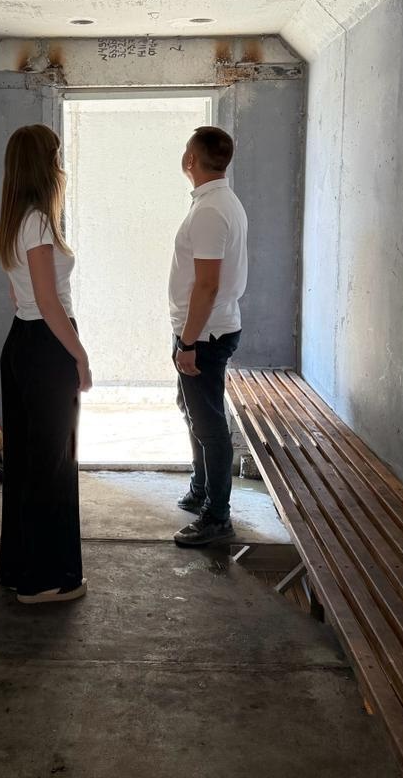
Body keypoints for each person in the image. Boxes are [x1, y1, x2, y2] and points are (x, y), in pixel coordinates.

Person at [0, 124, 93, 604]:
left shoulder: (13, 220)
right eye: (56, 156)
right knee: (53, 464)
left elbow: (20, 296)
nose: (61, 165)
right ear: (44, 165)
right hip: (46, 346)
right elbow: (48, 302)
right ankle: (44, 582)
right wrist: (80, 355)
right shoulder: (37, 221)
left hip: (21, 342)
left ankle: (20, 571)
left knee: (26, 463)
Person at [169, 126, 249, 548]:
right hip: (208, 330)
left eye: (186, 150)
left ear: (191, 160)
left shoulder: (210, 211)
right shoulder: (219, 202)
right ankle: (201, 489)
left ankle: (217, 517)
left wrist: (188, 343)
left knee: (210, 424)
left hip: (205, 335)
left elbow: (207, 285)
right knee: (193, 411)